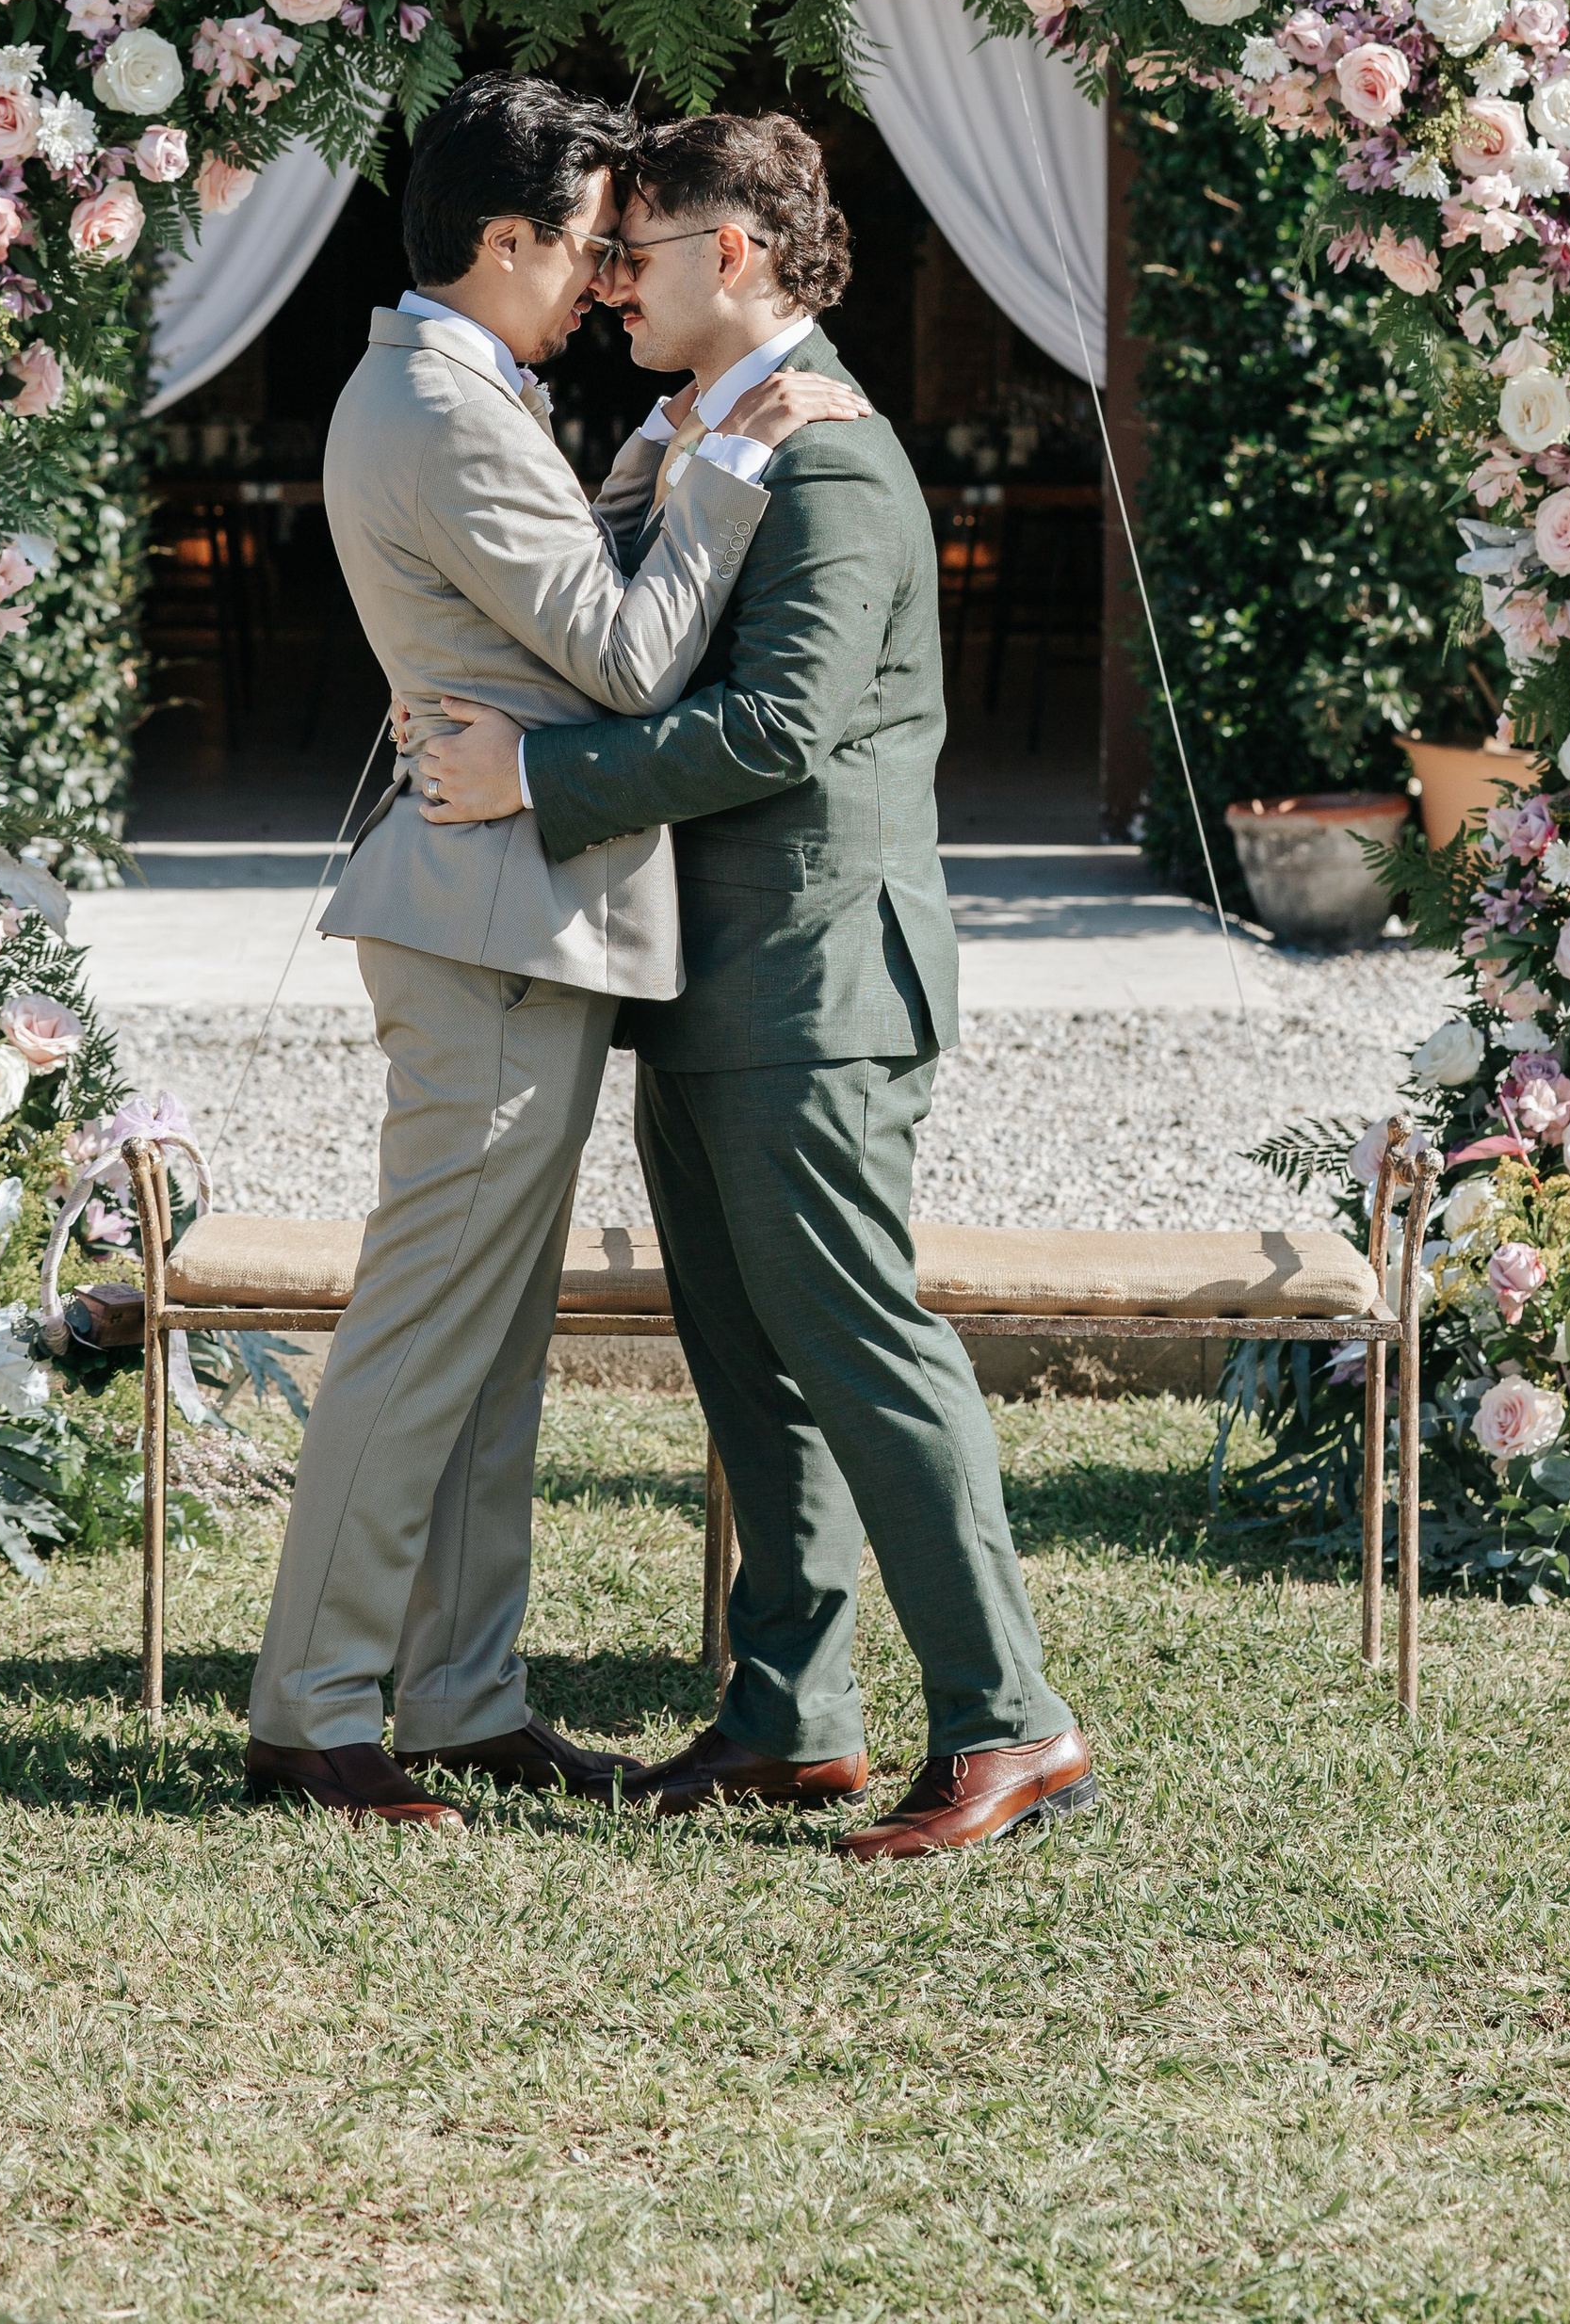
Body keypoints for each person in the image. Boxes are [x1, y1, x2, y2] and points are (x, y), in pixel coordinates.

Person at [415, 112, 1093, 1863]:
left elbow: (781, 726)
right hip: (708, 981)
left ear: (737, 256)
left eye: (639, 246)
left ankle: (1009, 1722)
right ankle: (792, 1716)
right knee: (751, 1362)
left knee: (864, 1348)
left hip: (811, 982)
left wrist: (538, 787)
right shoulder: (706, 439)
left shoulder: (841, 463)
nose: (611, 275)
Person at [246, 75, 864, 1830]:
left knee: (489, 1337)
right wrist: (727, 467)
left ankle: (453, 1693)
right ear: (502, 240)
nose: (603, 282)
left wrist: (642, 470)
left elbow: (544, 601)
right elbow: (621, 659)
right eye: (589, 246)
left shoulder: (457, 393)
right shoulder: (437, 405)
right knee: (426, 1331)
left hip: (518, 908)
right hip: (492, 919)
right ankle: (314, 1710)